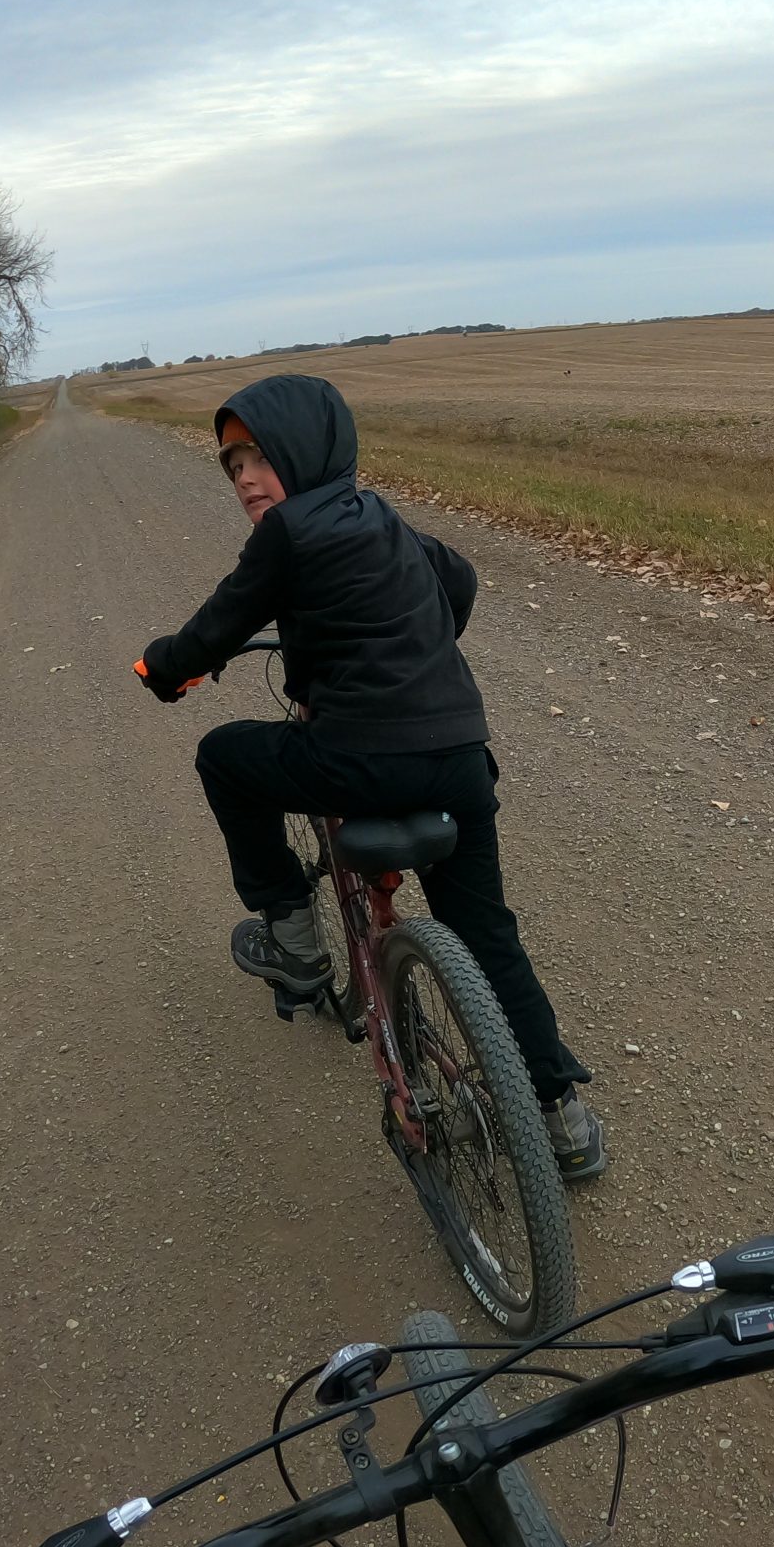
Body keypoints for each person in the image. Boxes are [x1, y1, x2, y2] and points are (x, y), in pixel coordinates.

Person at [136, 373, 605, 1179]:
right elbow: (457, 580)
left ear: (303, 450)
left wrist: (163, 670)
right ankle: (562, 1118)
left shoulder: (288, 536)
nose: (244, 475)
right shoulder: (380, 515)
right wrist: (414, 641)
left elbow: (218, 626)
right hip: (459, 757)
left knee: (224, 757)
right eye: (231, 463)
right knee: (488, 934)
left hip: (358, 759)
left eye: (258, 455)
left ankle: (292, 936)